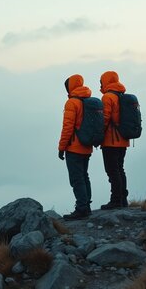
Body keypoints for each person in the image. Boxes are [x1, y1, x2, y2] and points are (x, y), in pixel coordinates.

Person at [58, 74, 93, 220]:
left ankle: (81, 208)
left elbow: (67, 127)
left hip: (74, 147)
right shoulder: (89, 100)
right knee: (84, 176)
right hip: (87, 145)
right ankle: (87, 206)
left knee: (76, 179)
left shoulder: (72, 103)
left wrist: (61, 147)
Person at [99, 71, 130, 209]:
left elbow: (104, 119)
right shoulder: (121, 95)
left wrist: (98, 136)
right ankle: (123, 199)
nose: (100, 84)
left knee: (112, 171)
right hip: (123, 139)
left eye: (101, 81)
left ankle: (116, 200)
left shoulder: (108, 97)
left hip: (111, 140)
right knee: (120, 169)